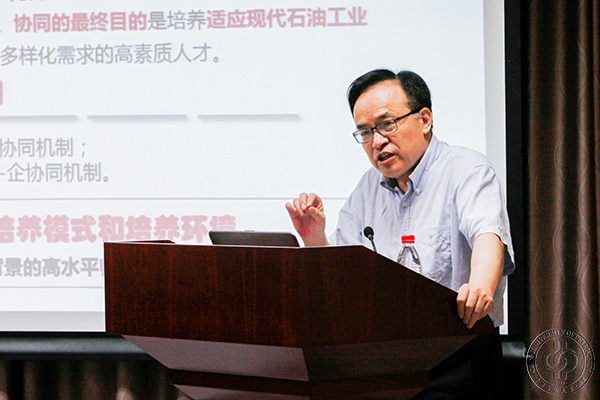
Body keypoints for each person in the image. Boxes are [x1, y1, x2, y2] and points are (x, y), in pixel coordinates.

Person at [285, 69, 515, 399]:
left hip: (457, 356)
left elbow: (487, 234)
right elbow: (342, 272)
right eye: (365, 132)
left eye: (387, 124)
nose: (377, 141)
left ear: (424, 119)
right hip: (385, 359)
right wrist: (314, 238)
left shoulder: (466, 170)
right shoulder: (368, 187)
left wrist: (480, 286)